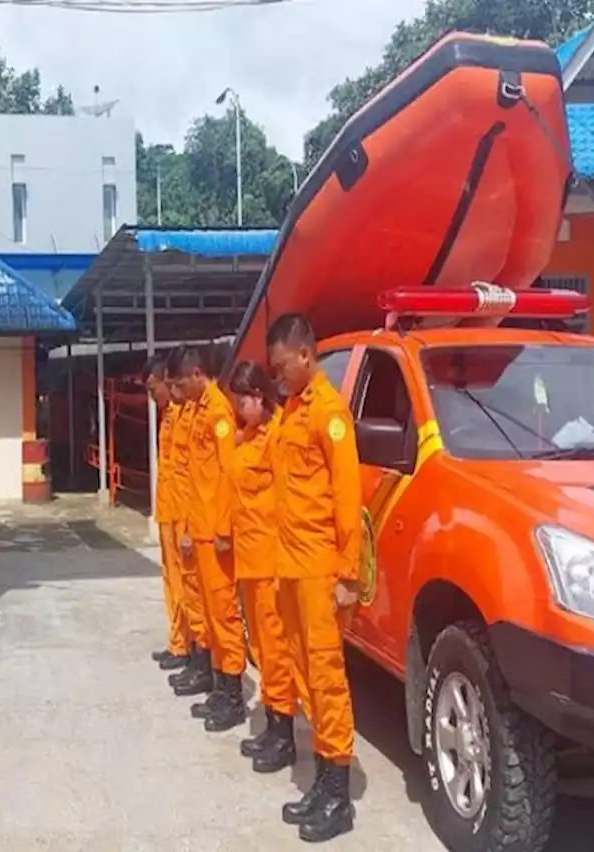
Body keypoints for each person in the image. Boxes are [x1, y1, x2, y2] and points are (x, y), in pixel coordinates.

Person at [267, 314, 361, 842]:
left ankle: (339, 796)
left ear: (306, 355)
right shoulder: (290, 411)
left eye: (283, 366)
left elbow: (347, 497)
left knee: (327, 680)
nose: (278, 376)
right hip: (289, 566)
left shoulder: (329, 414)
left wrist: (347, 572)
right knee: (304, 675)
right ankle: (322, 780)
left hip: (321, 570)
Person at [226, 360, 298, 774]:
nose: (238, 409)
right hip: (249, 561)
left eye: (243, 401)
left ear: (259, 397)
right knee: (262, 649)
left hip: (270, 560)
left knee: (276, 650)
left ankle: (284, 733)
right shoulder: (248, 436)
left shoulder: (275, 438)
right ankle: (274, 725)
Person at [174, 345, 247, 733]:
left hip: (214, 533)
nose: (181, 389)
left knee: (224, 614)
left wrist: (222, 529)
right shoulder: (201, 408)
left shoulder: (218, 412)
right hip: (199, 529)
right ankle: (221, 687)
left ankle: (233, 695)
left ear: (198, 373)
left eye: (183, 381)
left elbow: (226, 474)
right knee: (210, 612)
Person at [164, 348, 212, 697]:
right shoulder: (190, 413)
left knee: (215, 610)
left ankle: (213, 677)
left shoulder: (215, 414)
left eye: (175, 383)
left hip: (207, 527)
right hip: (184, 515)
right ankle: (196, 661)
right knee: (191, 595)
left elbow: (219, 478)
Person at [146, 354, 190, 671]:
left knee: (185, 586)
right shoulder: (168, 417)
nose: (152, 396)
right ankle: (177, 643)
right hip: (167, 512)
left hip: (182, 515)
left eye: (153, 387)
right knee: (171, 582)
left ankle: (187, 648)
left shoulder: (185, 415)